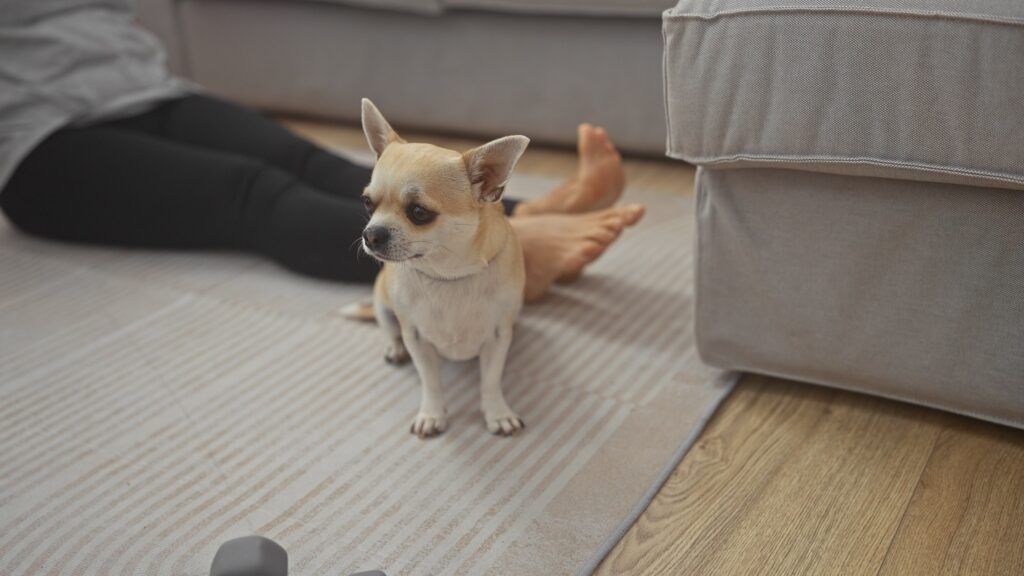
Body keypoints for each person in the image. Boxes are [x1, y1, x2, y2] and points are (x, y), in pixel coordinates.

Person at [0, 0, 643, 301]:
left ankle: (517, 211)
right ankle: (504, 258)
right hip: (33, 138)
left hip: (139, 86)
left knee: (322, 166)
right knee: (255, 192)